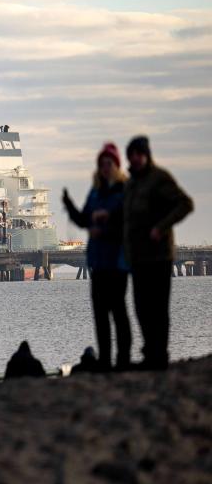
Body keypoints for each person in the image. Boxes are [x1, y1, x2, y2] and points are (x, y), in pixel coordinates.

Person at [123, 135, 193, 370]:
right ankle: (149, 351)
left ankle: (159, 354)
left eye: (139, 154)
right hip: (138, 257)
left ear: (146, 155)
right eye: (131, 154)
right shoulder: (131, 184)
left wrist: (160, 228)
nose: (135, 158)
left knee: (158, 308)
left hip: (159, 256)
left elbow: (185, 204)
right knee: (141, 307)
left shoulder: (159, 178)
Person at [62, 142, 132, 371]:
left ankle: (122, 360)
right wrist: (69, 206)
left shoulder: (124, 190)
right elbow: (85, 220)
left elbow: (127, 222)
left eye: (108, 163)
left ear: (116, 165)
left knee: (118, 313)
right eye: (101, 163)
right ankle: (104, 361)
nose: (104, 167)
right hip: (98, 262)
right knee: (100, 315)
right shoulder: (95, 192)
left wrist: (106, 223)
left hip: (117, 261)